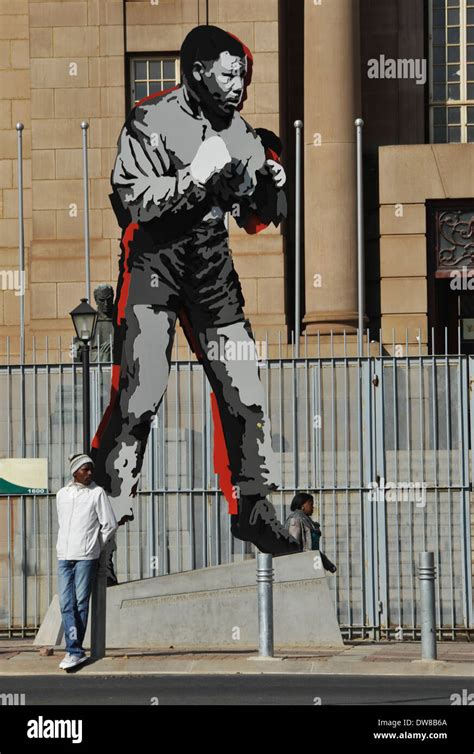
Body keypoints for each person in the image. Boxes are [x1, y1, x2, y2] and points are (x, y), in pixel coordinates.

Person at [90, 25, 299, 556]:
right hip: (153, 263)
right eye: (230, 74)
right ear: (198, 71)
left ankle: (253, 509)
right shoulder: (150, 118)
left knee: (245, 388)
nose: (240, 85)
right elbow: (131, 201)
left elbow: (254, 219)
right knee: (140, 395)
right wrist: (195, 177)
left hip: (209, 265)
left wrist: (272, 190)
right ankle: (105, 530)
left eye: (243, 75)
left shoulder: (241, 132)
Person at [56, 454, 118, 670]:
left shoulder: (97, 493)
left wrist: (95, 546)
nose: (90, 473)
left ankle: (74, 650)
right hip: (64, 555)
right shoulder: (62, 494)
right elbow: (62, 523)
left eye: (91, 469)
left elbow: (109, 524)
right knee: (66, 604)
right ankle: (75, 650)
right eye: (85, 469)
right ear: (75, 472)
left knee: (80, 603)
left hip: (86, 557)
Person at [285, 493, 337, 572]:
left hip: (311, 563)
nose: (313, 507)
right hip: (302, 567)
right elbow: (293, 547)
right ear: (302, 505)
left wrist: (328, 564)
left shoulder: (307, 520)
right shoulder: (295, 519)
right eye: (311, 504)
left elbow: (313, 550)